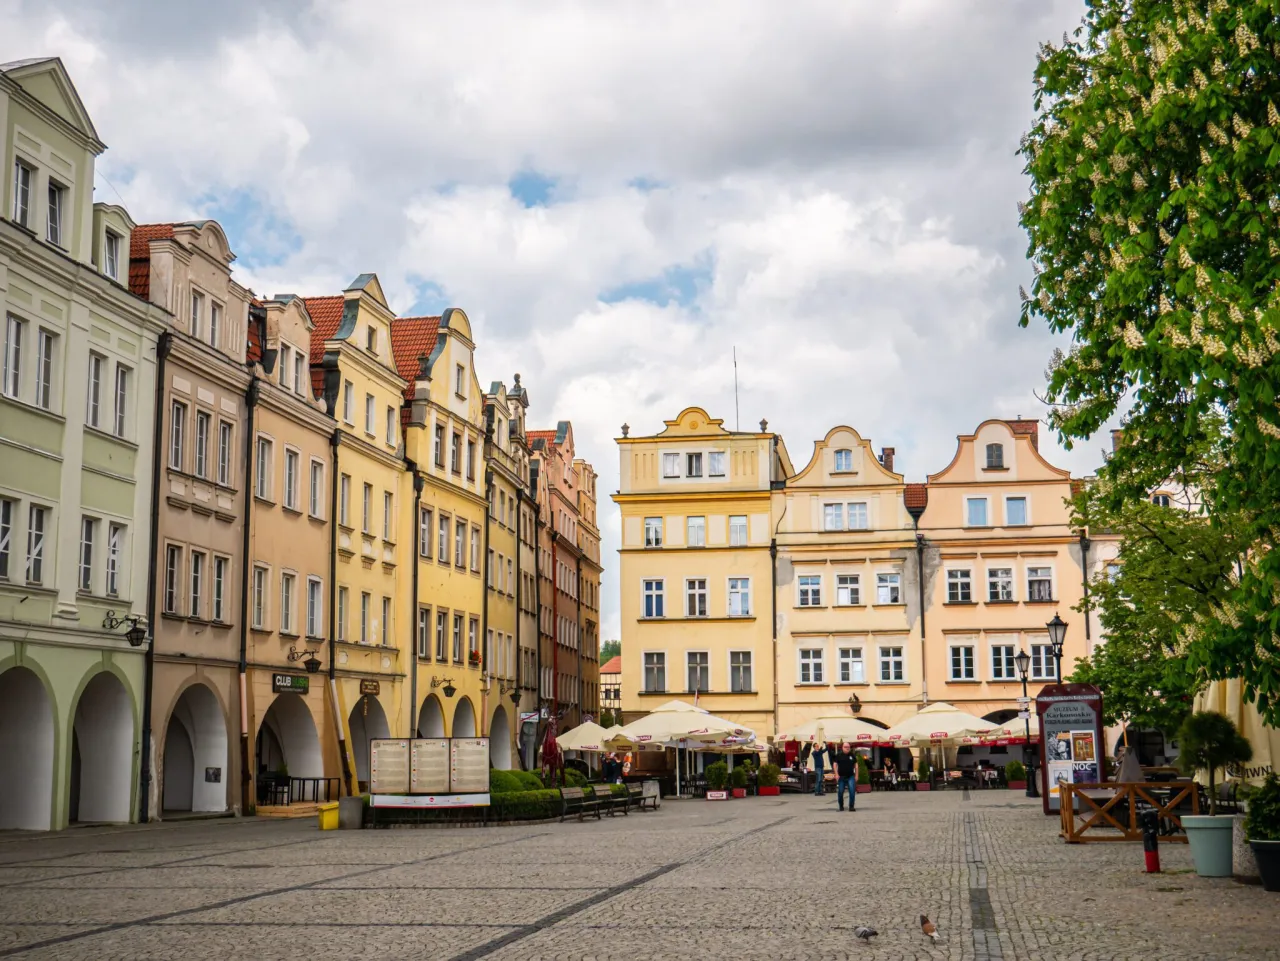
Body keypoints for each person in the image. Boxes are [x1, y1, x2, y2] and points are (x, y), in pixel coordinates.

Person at [830, 742, 858, 811]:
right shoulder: (839, 755)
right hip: (841, 777)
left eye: (848, 747)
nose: (847, 748)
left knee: (852, 791)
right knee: (840, 791)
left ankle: (851, 806)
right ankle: (841, 806)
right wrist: (836, 774)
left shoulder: (852, 755)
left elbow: (856, 766)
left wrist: (856, 775)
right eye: (846, 747)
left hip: (850, 776)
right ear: (842, 747)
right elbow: (834, 764)